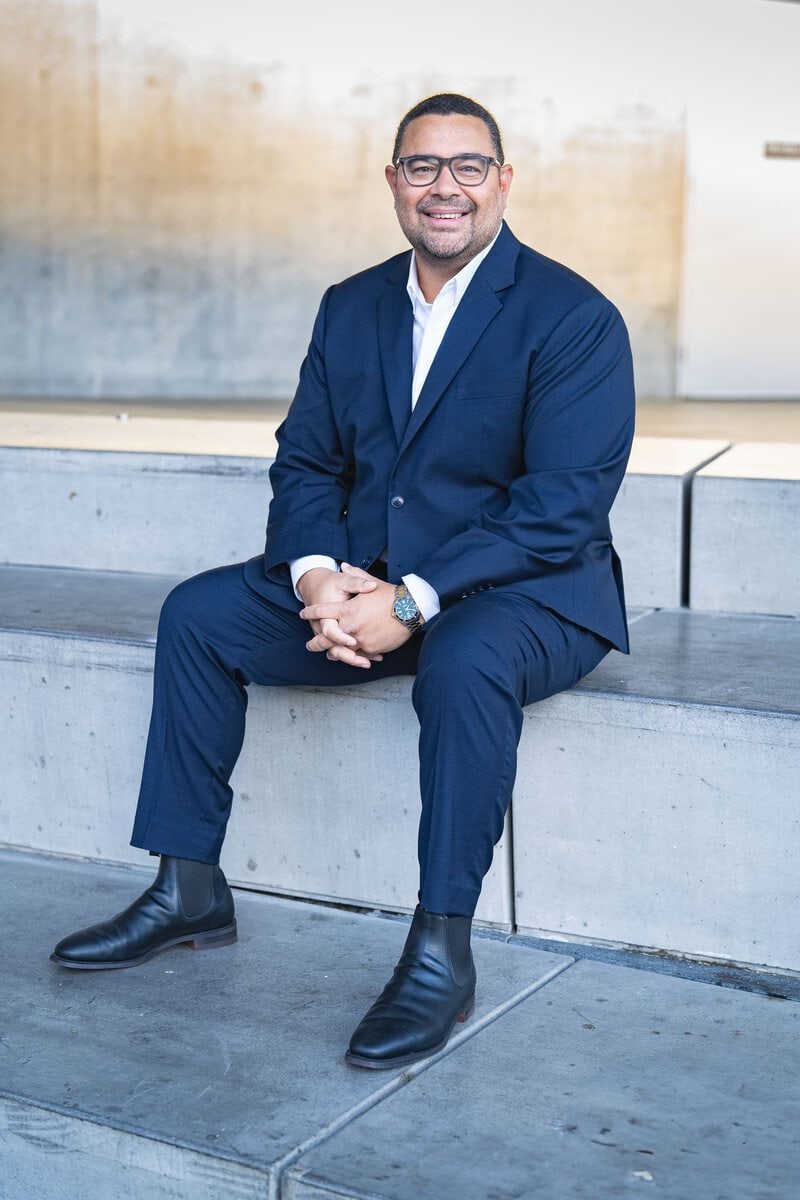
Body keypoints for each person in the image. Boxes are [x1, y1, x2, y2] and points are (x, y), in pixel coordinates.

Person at [51, 93, 635, 1070]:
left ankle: (440, 951)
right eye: (420, 166)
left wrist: (409, 601)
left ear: (502, 180)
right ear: (391, 181)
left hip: (530, 594)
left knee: (464, 659)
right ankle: (187, 887)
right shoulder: (351, 304)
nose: (443, 187)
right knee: (198, 614)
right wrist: (322, 583)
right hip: (368, 585)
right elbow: (306, 462)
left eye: (466, 165)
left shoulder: (571, 316)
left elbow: (560, 508)